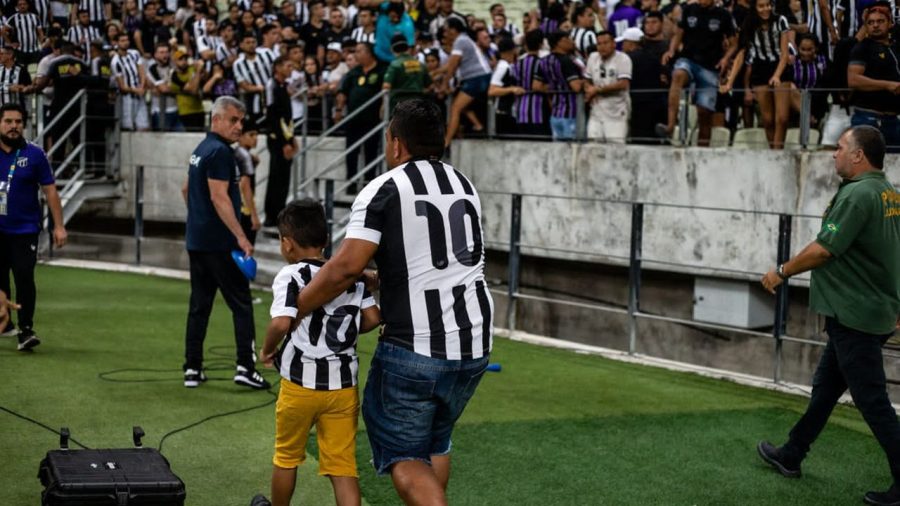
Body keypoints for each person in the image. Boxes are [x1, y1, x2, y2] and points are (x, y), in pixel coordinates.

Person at [293, 97, 493, 506]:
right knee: (436, 442)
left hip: (415, 347)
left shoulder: (384, 188)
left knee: (404, 454)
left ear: (396, 144)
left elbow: (345, 266)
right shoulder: (463, 184)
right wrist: (381, 278)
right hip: (474, 343)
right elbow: (441, 262)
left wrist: (299, 304)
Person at [758, 125, 900, 506]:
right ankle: (792, 454)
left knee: (872, 402)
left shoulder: (857, 195)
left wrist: (782, 271)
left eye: (839, 148)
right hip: (867, 311)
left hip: (855, 315)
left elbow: (825, 249)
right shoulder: (889, 194)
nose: (833, 154)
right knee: (825, 391)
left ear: (858, 155)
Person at [256, 198, 381, 506]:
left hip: (299, 385)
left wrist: (267, 349)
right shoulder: (351, 277)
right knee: (343, 467)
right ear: (326, 240)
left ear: (287, 244)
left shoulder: (291, 275)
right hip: (342, 387)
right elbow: (373, 319)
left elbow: (282, 321)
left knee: (286, 456)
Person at [181, 95, 269, 391]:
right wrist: (241, 235)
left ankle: (192, 368)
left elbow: (186, 189)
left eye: (241, 121)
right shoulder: (220, 152)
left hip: (198, 241)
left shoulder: (201, 149)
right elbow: (219, 197)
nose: (239, 126)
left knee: (199, 307)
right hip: (220, 244)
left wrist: (199, 219)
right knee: (242, 305)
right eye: (233, 120)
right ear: (216, 119)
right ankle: (246, 365)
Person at [0, 102, 66, 351]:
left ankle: (26, 329)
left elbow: (50, 191)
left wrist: (59, 226)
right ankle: (5, 323)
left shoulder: (35, 154)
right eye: (8, 121)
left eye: (18, 122)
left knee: (24, 277)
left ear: (24, 125)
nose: (13, 127)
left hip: (24, 230)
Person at [658, 0, 737, 146]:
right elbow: (678, 34)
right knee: (678, 75)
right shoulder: (689, 10)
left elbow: (734, 43)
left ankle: (702, 154)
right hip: (689, 59)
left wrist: (726, 58)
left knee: (704, 116)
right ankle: (669, 125)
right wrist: (671, 50)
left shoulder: (723, 15)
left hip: (710, 66)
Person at [721, 0, 792, 149]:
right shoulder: (749, 23)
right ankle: (774, 150)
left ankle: (777, 152)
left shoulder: (781, 20)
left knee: (782, 118)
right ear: (755, 7)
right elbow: (741, 54)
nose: (765, 9)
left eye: (768, 5)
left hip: (780, 65)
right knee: (767, 119)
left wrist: (777, 75)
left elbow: (785, 54)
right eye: (761, 6)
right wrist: (729, 82)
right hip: (760, 67)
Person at [847, 3, 900, 152]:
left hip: (893, 120)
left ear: (890, 24)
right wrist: (887, 85)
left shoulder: (895, 47)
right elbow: (853, 79)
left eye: (880, 21)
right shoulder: (862, 48)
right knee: (865, 168)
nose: (875, 25)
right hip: (868, 119)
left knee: (895, 170)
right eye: (870, 22)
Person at [432, 17, 492, 147]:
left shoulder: (460, 41)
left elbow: (452, 66)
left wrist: (444, 85)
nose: (445, 34)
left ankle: (446, 142)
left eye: (447, 30)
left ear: (453, 30)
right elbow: (449, 65)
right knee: (460, 103)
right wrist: (435, 73)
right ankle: (478, 125)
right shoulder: (464, 39)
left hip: (476, 78)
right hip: (479, 77)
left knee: (455, 108)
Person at [335, 42, 384, 193]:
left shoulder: (381, 70)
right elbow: (343, 92)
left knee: (371, 152)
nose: (356, 54)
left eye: (359, 51)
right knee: (351, 152)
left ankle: (369, 185)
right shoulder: (354, 72)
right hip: (353, 119)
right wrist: (338, 109)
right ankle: (351, 183)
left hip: (372, 120)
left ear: (369, 53)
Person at [263, 55, 296, 226]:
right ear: (278, 67)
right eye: (288, 65)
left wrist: (292, 138)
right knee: (276, 177)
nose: (291, 68)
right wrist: (284, 143)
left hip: (286, 137)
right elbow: (273, 116)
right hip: (277, 139)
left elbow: (287, 117)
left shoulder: (284, 86)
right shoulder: (272, 85)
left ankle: (280, 211)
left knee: (284, 178)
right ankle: (271, 215)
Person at [533, 31, 584, 141]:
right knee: (574, 150)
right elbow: (576, 87)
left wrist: (554, 87)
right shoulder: (567, 61)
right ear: (560, 42)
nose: (572, 42)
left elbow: (536, 86)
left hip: (555, 114)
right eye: (569, 39)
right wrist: (587, 81)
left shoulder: (543, 61)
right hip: (571, 113)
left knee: (559, 153)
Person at [585, 30, 632, 143]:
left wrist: (597, 90)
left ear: (613, 44)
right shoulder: (593, 57)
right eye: (599, 44)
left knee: (616, 151)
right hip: (596, 112)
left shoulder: (623, 59)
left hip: (616, 113)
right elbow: (586, 80)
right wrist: (589, 90)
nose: (602, 47)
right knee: (593, 148)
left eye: (605, 43)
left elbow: (623, 83)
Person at [383, 33, 431, 115]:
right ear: (407, 47)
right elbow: (429, 86)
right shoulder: (420, 64)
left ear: (392, 49)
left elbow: (386, 86)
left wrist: (383, 105)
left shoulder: (394, 65)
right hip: (418, 104)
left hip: (398, 105)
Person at [234, 123, 260, 245]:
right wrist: (254, 216)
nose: (255, 138)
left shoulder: (237, 153)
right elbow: (245, 185)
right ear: (240, 137)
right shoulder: (244, 156)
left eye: (256, 135)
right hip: (244, 210)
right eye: (251, 135)